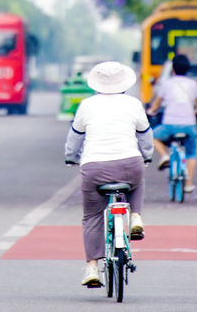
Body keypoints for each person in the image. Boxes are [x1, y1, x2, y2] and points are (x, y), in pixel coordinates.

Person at [64, 60, 153, 288]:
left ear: (96, 84)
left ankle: (92, 267)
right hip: (130, 164)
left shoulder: (86, 105)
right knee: (138, 178)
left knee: (92, 216)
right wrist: (147, 155)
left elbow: (75, 137)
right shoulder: (134, 104)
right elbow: (145, 135)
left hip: (94, 169)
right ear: (124, 83)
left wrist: (70, 156)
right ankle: (136, 217)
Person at [147, 54, 197, 193]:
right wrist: (195, 112)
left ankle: (165, 156)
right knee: (191, 153)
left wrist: (151, 111)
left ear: (173, 69)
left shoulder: (167, 84)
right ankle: (189, 182)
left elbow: (156, 105)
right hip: (189, 126)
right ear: (187, 69)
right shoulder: (193, 84)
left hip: (169, 125)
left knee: (152, 136)